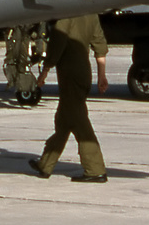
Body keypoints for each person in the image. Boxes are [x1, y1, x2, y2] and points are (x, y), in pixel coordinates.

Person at [27, 14, 110, 182]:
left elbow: (58, 43)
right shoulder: (91, 13)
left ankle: (95, 170)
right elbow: (100, 44)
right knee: (64, 120)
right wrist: (102, 76)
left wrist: (44, 72)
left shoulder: (68, 14)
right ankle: (45, 164)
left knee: (79, 121)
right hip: (83, 72)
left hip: (70, 74)